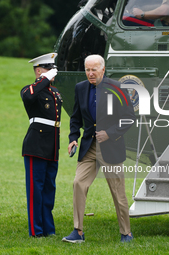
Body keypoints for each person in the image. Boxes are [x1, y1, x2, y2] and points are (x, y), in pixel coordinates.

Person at [62, 54, 136, 243]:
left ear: (103, 69)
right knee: (78, 183)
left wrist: (110, 133)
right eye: (87, 69)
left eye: (94, 69)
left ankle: (126, 233)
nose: (90, 73)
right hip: (89, 147)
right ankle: (78, 232)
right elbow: (75, 117)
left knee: (118, 193)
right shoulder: (80, 88)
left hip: (111, 147)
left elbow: (129, 117)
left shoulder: (117, 88)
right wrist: (73, 138)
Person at [21, 53, 62, 237]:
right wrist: (43, 79)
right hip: (36, 145)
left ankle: (48, 229)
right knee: (35, 191)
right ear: (38, 71)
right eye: (48, 69)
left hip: (52, 146)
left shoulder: (54, 93)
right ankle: (36, 231)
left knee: (48, 189)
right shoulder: (29, 90)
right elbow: (29, 97)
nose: (52, 73)